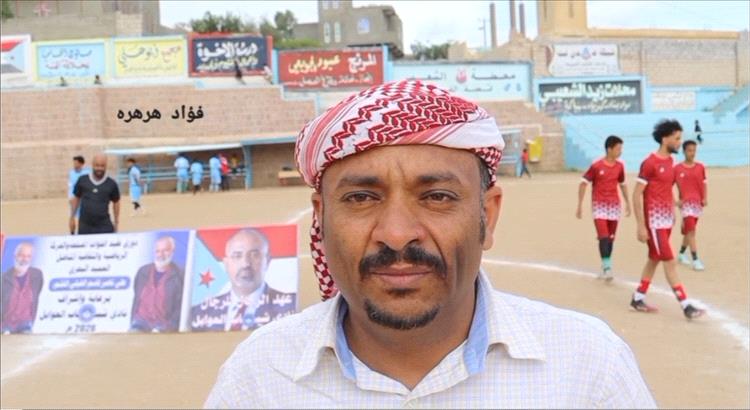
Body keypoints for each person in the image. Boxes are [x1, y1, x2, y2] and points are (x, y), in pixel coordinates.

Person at [205, 80, 655, 408]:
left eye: (437, 197)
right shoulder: (258, 379)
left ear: (488, 215)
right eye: (361, 198)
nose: (397, 233)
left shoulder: (588, 368)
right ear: (320, 219)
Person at [630, 119, 705, 319]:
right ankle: (686, 305)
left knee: (654, 259)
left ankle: (638, 298)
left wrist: (675, 206)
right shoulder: (650, 163)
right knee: (670, 261)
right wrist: (641, 226)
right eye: (677, 138)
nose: (680, 142)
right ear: (665, 139)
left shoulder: (671, 162)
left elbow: (665, 189)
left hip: (666, 220)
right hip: (654, 222)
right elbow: (637, 195)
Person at [190, 229, 296, 332]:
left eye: (254, 255)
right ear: (226, 264)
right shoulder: (199, 313)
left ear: (267, 261)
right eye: (237, 256)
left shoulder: (291, 306)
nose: (245, 264)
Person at [576, 135, 631, 280]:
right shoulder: (596, 166)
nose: (620, 151)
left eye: (621, 149)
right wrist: (580, 205)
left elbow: (622, 184)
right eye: (618, 149)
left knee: (611, 239)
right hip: (599, 206)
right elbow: (583, 183)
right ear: (609, 149)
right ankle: (607, 267)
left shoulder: (620, 167)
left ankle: (604, 264)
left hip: (614, 206)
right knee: (604, 237)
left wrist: (628, 202)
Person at [130, 236, 185, 332]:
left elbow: (179, 308)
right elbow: (136, 297)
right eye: (158, 251)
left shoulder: (179, 275)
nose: (161, 255)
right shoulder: (143, 272)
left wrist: (169, 327)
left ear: (172, 251)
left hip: (164, 325)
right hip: (140, 322)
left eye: (165, 250)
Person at [675, 140, 708, 271]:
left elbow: (704, 183)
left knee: (688, 232)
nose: (692, 153)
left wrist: (705, 198)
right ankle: (695, 260)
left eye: (694, 150)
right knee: (692, 232)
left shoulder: (700, 167)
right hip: (685, 205)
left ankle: (681, 253)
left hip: (697, 204)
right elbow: (667, 185)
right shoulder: (677, 169)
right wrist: (675, 201)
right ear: (684, 151)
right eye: (689, 150)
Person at [69, 153, 120, 235]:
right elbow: (76, 199)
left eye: (102, 166)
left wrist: (116, 222)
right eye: (97, 165)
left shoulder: (111, 184)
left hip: (104, 226)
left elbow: (116, 202)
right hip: (85, 226)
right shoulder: (82, 180)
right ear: (92, 165)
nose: (99, 168)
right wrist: (72, 217)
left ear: (106, 166)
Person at [1, 242, 44, 334]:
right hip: (5, 325)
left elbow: (37, 292)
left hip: (25, 324)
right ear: (15, 256)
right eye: (21, 255)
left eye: (28, 256)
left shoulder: (37, 275)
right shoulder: (4, 278)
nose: (24, 259)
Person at [68, 156, 90, 233]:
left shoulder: (87, 172)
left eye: (76, 163)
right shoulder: (71, 173)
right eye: (74, 163)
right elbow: (71, 186)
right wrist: (70, 197)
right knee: (72, 216)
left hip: (84, 198)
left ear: (81, 164)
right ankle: (72, 233)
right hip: (74, 197)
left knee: (84, 217)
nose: (74, 165)